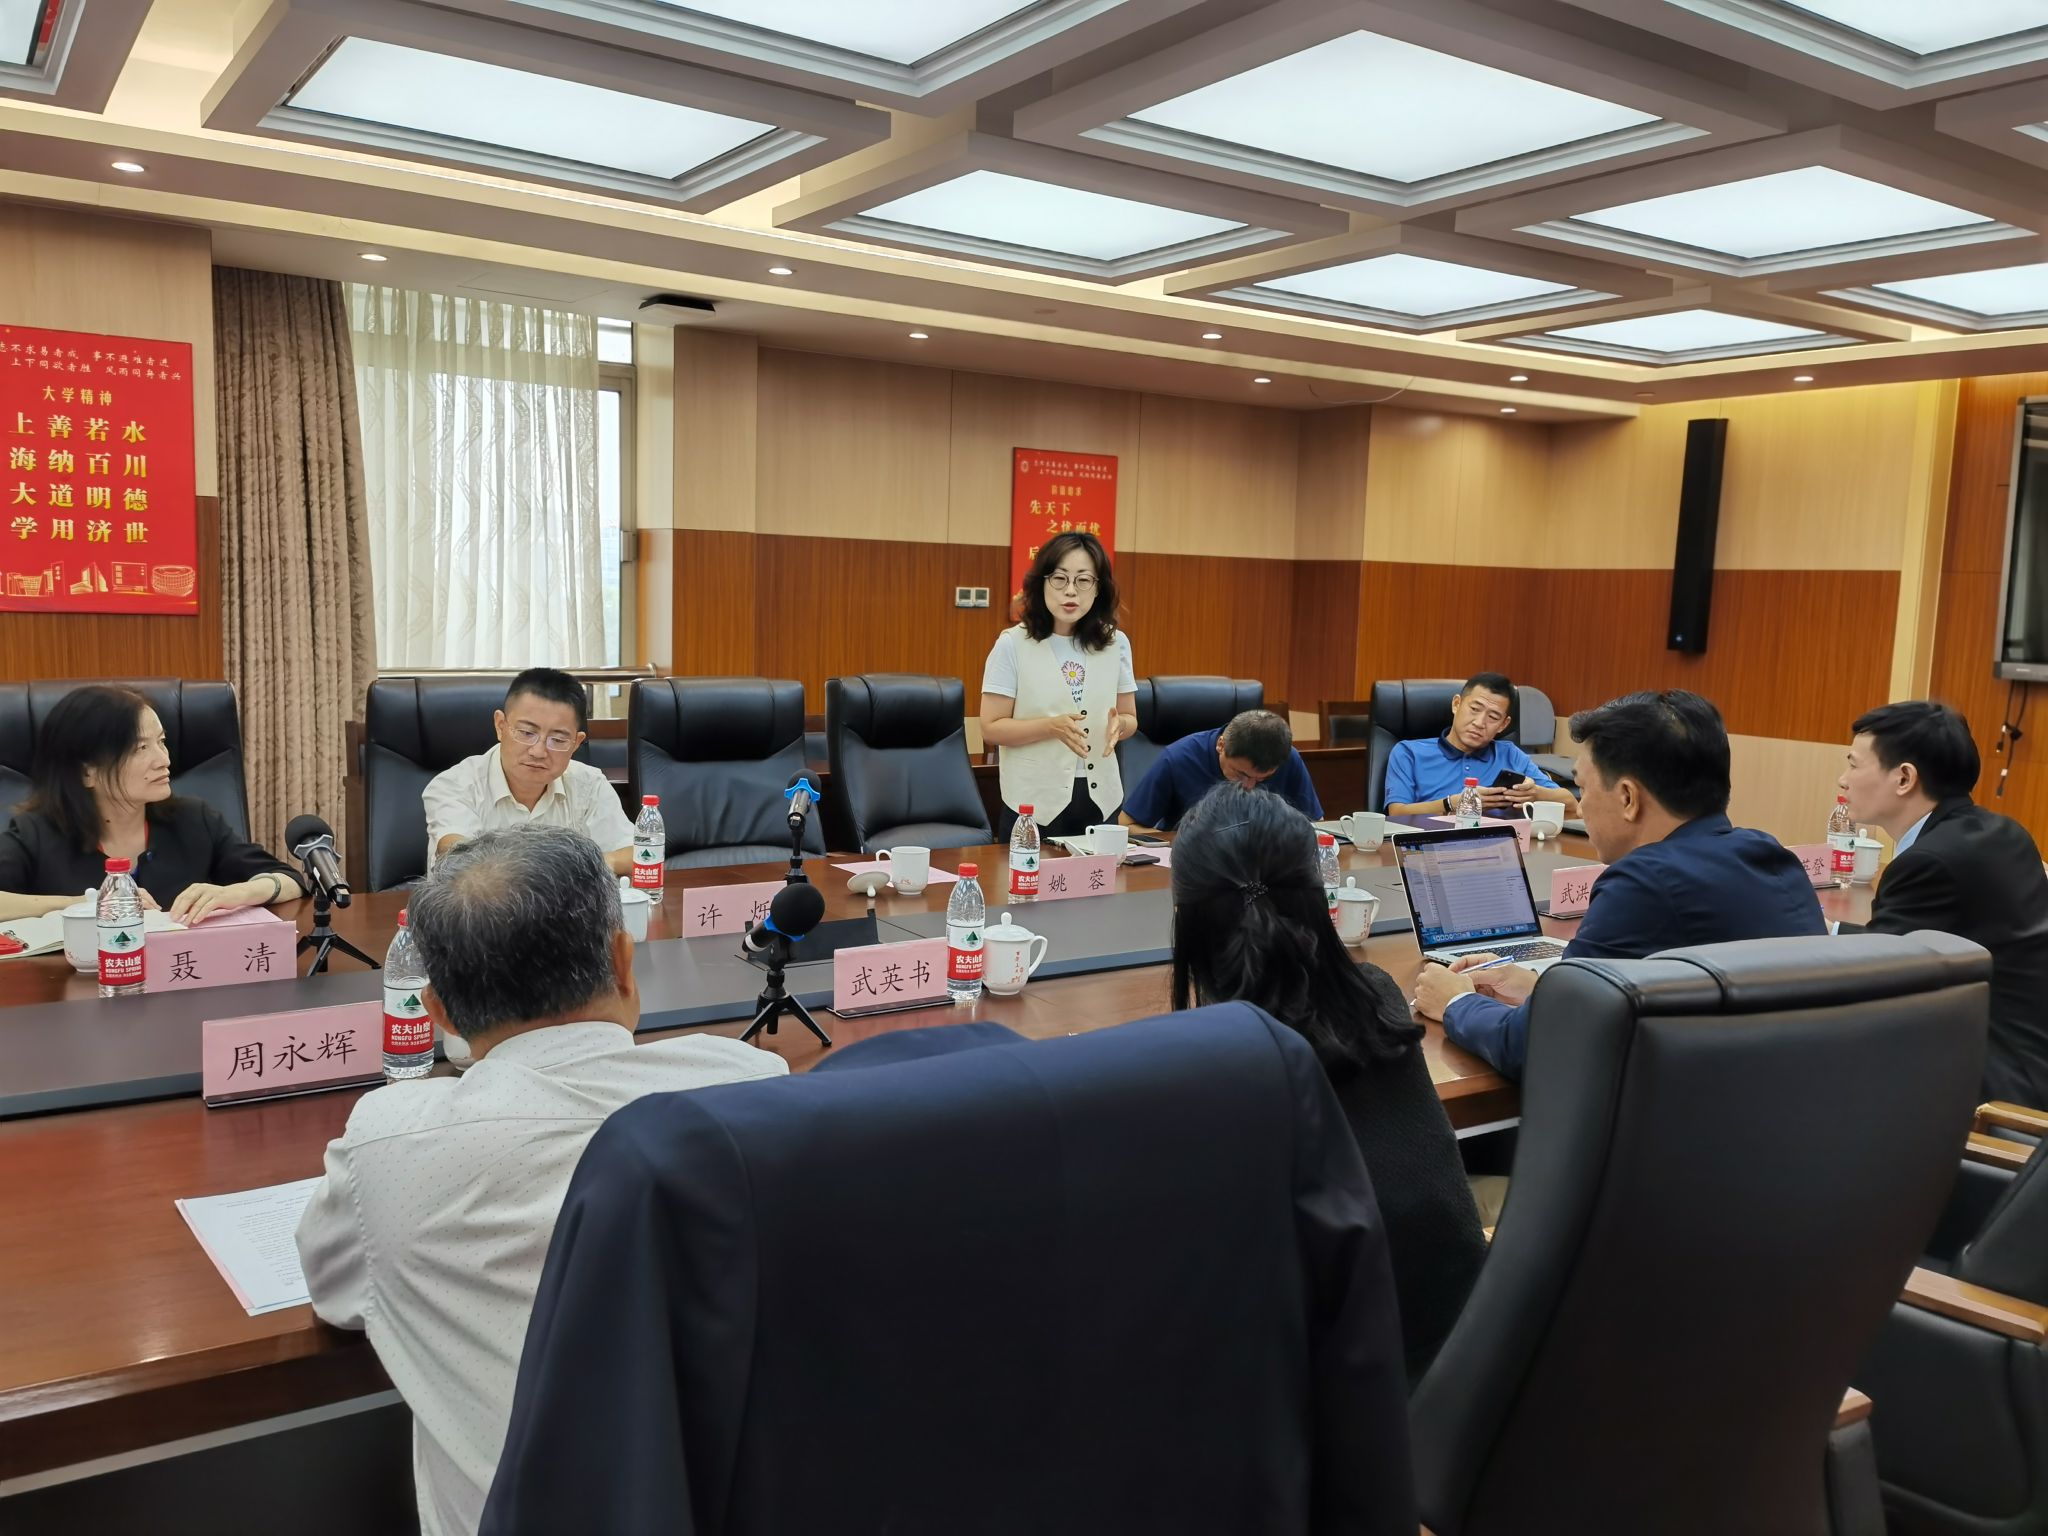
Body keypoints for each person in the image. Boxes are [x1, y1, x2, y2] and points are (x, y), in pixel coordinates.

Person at [296, 825, 784, 1536]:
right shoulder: (755, 1088)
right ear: (623, 962)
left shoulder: (390, 1144)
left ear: (437, 1012)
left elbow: (335, 1294)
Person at [1169, 784, 1485, 1384]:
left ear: (1186, 919)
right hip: (1467, 1358)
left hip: (1351, 1397)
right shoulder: (1377, 992)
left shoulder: (1208, 1053)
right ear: (1319, 895)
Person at [1414, 690, 1825, 1078]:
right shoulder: (1770, 856)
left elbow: (1536, 1046)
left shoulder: (1642, 882)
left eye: (1583, 788)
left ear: (1628, 798)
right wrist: (1542, 989)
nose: (1581, 806)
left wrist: (1455, 1002)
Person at [1838, 700, 2048, 1107]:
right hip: (2031, 1060)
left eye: (1854, 764)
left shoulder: (1928, 861)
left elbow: (1870, 978)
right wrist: (1830, 930)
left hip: (1997, 1089)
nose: (1843, 779)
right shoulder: (2003, 832)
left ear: (1904, 778)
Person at [0, 683, 304, 923]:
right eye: (139, 748)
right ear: (87, 772)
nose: (164, 760)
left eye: (161, 742)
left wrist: (237, 893)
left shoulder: (193, 820)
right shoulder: (35, 833)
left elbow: (290, 880)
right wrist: (88, 904)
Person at [980, 531, 1139, 839]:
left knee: (1103, 873)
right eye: (1060, 579)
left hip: (1100, 800)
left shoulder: (1115, 643)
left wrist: (1120, 725)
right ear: (1042, 583)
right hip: (1033, 804)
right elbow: (990, 728)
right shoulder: (1012, 644)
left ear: (1098, 588)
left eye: (1083, 580)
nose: (1070, 591)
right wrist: (1050, 727)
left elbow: (1130, 717)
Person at [421, 667, 636, 874]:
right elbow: (458, 858)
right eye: (526, 733)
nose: (538, 751)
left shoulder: (589, 784)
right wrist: (572, 870)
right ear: (500, 726)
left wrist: (600, 864)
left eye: (558, 739)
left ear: (576, 744)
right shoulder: (453, 785)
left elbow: (635, 853)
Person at [1383, 672, 1577, 818]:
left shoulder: (1510, 755)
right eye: (1474, 709)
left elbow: (1570, 804)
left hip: (1500, 849)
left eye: (1493, 717)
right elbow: (1397, 813)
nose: (1479, 722)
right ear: (1456, 704)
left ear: (1503, 725)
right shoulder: (1409, 752)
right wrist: (1451, 804)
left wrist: (1535, 793)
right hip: (1431, 848)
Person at [1122, 709, 1323, 830]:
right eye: (1241, 774)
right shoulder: (1178, 758)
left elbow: (1315, 824)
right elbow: (1127, 824)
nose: (1249, 786)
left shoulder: (1289, 758)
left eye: (1262, 779)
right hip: (1195, 864)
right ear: (1221, 745)